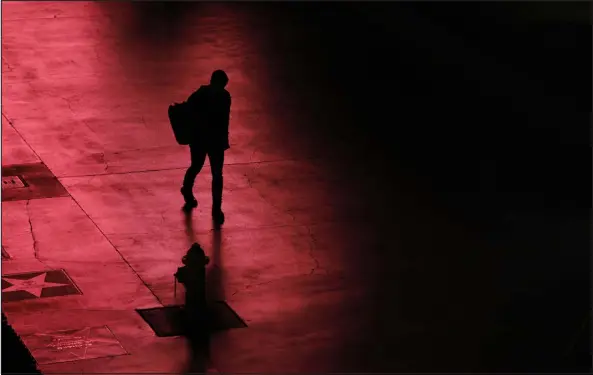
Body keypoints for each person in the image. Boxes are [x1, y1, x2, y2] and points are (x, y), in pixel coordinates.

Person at [181, 70, 231, 225]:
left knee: (198, 166)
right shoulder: (224, 97)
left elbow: (188, 109)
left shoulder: (202, 94)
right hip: (213, 141)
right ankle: (216, 209)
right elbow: (223, 121)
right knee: (216, 174)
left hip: (201, 139)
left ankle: (187, 190)